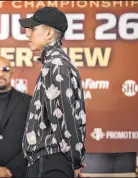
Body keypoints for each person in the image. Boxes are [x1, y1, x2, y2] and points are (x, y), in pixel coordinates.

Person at [19, 7, 86, 177]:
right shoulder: (57, 63)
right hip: (50, 161)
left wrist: (74, 160)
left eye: (33, 29)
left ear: (49, 34)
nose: (27, 34)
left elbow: (64, 116)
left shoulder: (56, 65)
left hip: (50, 163)